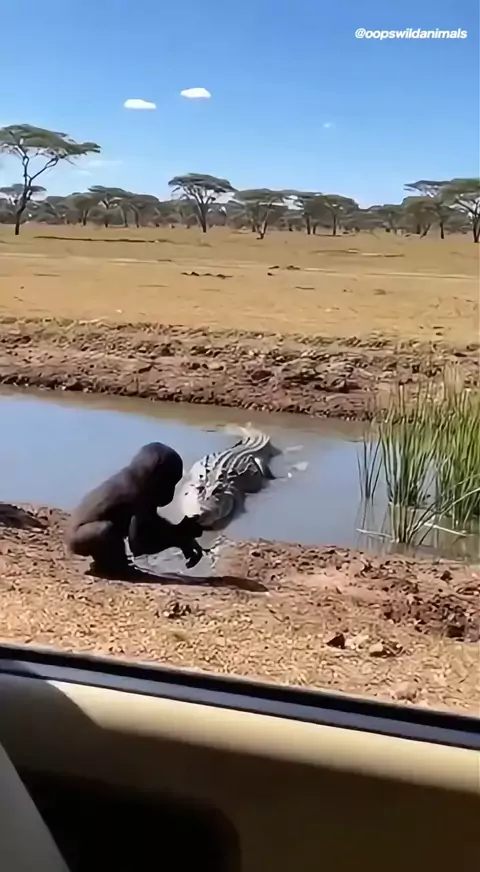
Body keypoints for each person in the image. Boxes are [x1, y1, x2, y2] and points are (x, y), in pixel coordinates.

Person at [66, 442, 204, 578]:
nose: (170, 491)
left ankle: (110, 565)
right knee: (107, 532)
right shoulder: (133, 493)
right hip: (83, 535)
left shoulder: (138, 485)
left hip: (86, 532)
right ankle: (111, 568)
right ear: (156, 480)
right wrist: (179, 536)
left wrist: (180, 537)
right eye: (169, 484)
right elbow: (141, 544)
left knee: (110, 533)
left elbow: (151, 523)